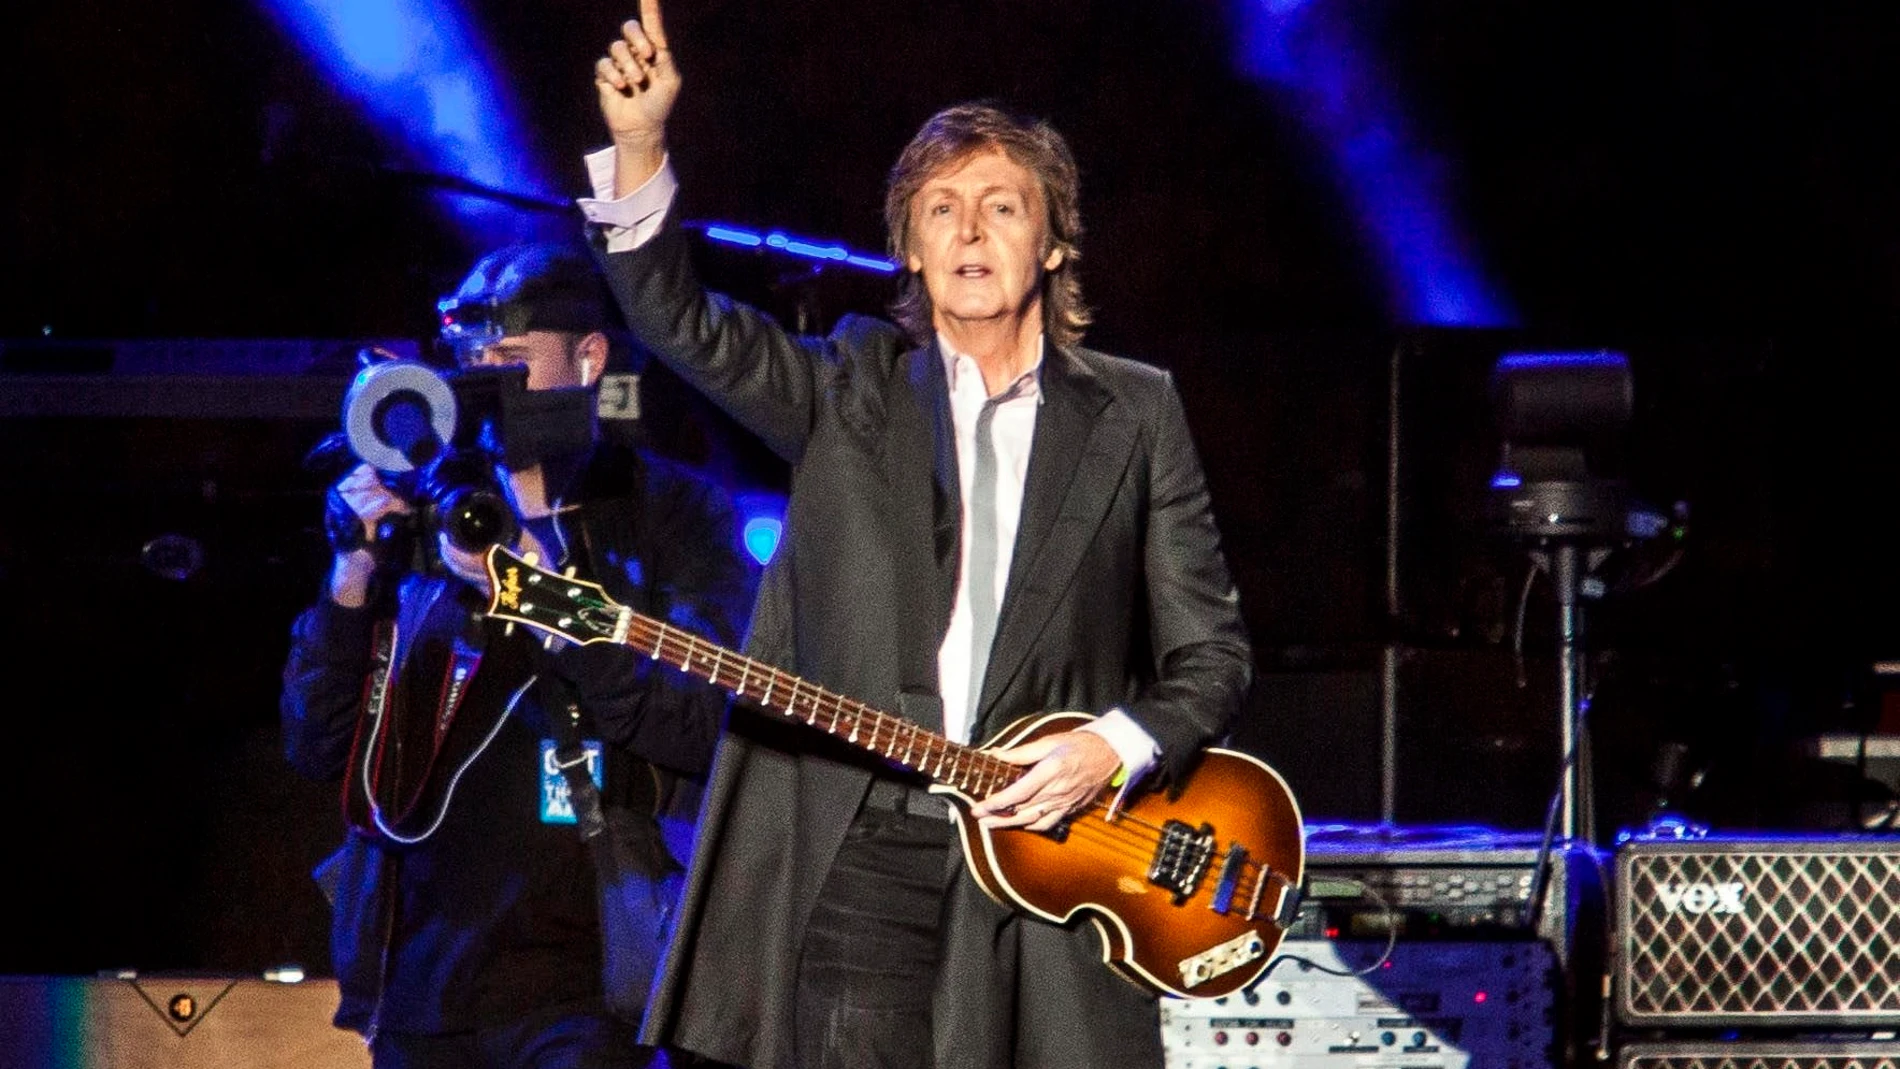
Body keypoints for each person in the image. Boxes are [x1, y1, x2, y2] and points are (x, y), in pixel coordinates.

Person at [580, 4, 1254, 1067]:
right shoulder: (848, 388)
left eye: (1000, 205)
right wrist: (639, 147)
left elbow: (1210, 657)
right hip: (868, 847)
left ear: (1055, 239)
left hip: (1060, 854)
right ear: (908, 246)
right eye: (940, 209)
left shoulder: (1135, 413)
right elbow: (679, 325)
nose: (970, 231)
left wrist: (1106, 747)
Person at [281, 241, 755, 1069]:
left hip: (587, 983)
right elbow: (314, 741)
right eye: (471, 361)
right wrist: (352, 568)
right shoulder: (427, 508)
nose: (486, 381)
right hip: (422, 986)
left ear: (589, 356)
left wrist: (538, 586)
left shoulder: (671, 511)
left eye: (510, 359)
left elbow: (699, 720)